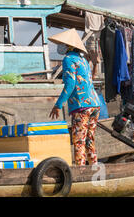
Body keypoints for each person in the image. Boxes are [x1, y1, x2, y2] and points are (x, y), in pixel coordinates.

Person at [48, 28, 102, 166]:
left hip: (82, 105)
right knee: (89, 139)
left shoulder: (68, 59)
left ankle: (81, 172)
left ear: (68, 46)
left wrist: (58, 105)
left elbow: (70, 84)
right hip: (94, 103)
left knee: (79, 140)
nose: (60, 46)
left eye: (62, 44)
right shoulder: (82, 60)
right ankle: (94, 167)